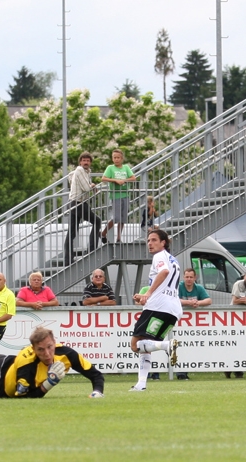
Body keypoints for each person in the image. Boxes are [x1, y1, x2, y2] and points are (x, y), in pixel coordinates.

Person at [130, 229, 181, 391]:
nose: (150, 243)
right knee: (146, 345)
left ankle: (167, 346)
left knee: (135, 345)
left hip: (158, 306)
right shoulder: (174, 260)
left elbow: (164, 272)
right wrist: (144, 296)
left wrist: (149, 294)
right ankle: (141, 384)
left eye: (153, 240)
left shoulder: (160, 256)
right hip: (173, 309)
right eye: (148, 240)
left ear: (163, 242)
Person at [63, 151, 102, 265]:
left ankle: (68, 260)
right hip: (78, 203)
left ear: (90, 162)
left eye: (88, 161)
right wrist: (92, 186)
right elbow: (86, 188)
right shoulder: (80, 170)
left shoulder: (86, 172)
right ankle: (91, 249)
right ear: (80, 162)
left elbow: (72, 177)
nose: (86, 162)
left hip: (76, 202)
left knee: (72, 232)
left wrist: (91, 186)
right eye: (84, 160)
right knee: (97, 221)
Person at [100, 149, 136, 244]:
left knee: (123, 217)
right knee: (116, 217)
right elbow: (103, 178)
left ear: (122, 158)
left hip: (125, 194)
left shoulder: (126, 167)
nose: (116, 159)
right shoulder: (110, 168)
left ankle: (119, 238)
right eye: (114, 157)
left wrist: (125, 180)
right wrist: (115, 180)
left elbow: (133, 178)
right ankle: (103, 233)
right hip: (116, 195)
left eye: (118, 158)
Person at [227, 274, 246, 379]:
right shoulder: (238, 284)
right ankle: (232, 369)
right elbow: (235, 301)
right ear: (244, 276)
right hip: (235, 318)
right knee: (234, 344)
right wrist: (242, 300)